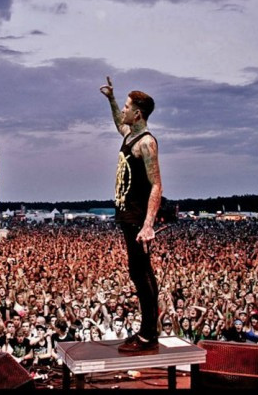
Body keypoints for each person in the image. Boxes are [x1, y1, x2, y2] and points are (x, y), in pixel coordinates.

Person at [100, 78, 162, 352]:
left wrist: (148, 225)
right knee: (138, 271)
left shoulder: (146, 143)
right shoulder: (130, 135)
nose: (123, 111)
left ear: (137, 113)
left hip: (138, 217)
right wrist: (112, 100)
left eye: (127, 106)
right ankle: (148, 331)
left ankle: (148, 334)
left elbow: (157, 184)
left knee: (142, 272)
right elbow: (119, 124)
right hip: (128, 215)